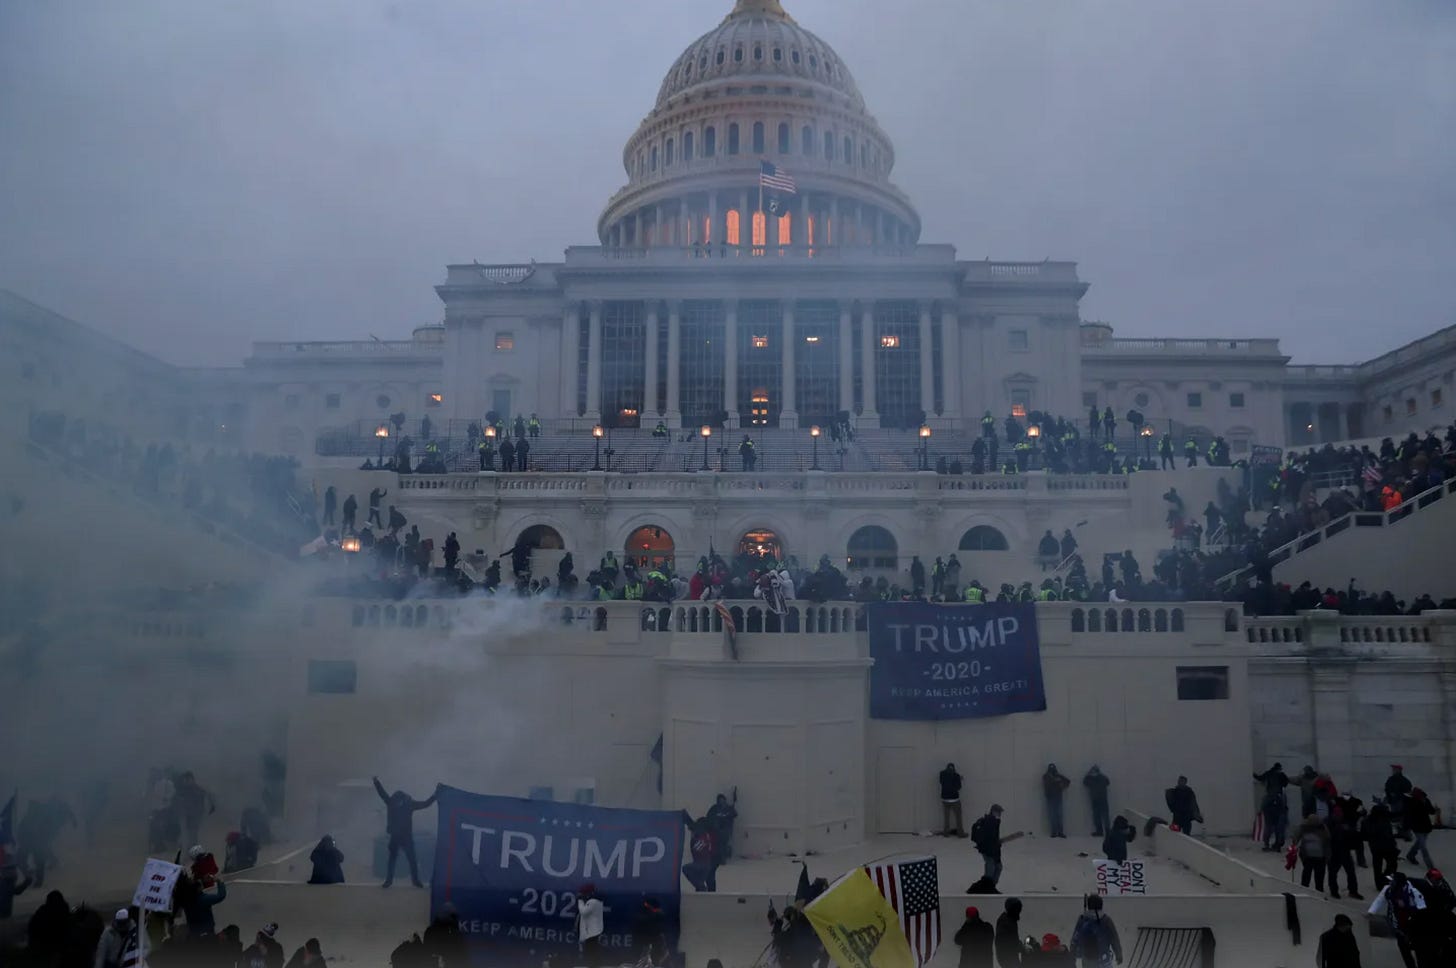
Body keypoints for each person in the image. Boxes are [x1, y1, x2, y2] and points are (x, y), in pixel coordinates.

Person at [373, 776, 437, 888]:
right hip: (397, 836)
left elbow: (426, 804)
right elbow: (382, 793)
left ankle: (412, 881)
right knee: (396, 859)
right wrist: (376, 782)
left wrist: (436, 794)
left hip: (404, 836)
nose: (397, 804)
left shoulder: (406, 804)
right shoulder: (395, 802)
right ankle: (391, 881)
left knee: (409, 859)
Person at [1369, 872, 1427, 968]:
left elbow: (1422, 910)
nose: (1390, 883)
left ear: (1398, 883)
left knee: (1418, 949)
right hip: (1397, 925)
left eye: (1392, 881)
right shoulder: (1388, 890)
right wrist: (1371, 912)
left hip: (1412, 926)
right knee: (1404, 949)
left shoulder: (1413, 892)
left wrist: (1407, 908)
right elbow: (1380, 900)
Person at [1069, 894, 1122, 968]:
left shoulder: (1083, 919)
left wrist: (1072, 956)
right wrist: (1119, 955)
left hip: (1087, 959)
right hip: (1104, 959)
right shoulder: (1106, 920)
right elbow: (1114, 939)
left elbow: (1075, 939)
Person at [173, 772, 215, 851]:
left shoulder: (198, 789)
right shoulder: (183, 790)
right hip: (187, 813)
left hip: (196, 813)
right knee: (187, 830)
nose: (186, 781)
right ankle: (188, 845)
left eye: (188, 779)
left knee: (193, 831)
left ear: (192, 779)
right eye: (185, 780)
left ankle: (193, 846)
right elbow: (177, 800)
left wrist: (211, 807)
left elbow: (209, 796)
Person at [1253, 762, 1290, 851]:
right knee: (1279, 826)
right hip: (1279, 801)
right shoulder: (1282, 775)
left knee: (1268, 825)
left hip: (1269, 801)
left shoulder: (1269, 773)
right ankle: (1277, 845)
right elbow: (1286, 783)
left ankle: (1266, 845)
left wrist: (1252, 773)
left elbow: (1260, 778)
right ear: (1279, 768)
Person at [972, 804, 1010, 887]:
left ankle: (991, 886)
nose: (1000, 814)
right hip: (988, 849)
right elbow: (989, 837)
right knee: (991, 867)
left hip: (991, 849)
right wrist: (995, 845)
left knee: (997, 866)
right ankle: (988, 886)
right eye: (998, 812)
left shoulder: (993, 821)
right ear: (993, 811)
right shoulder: (990, 821)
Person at [27, 888, 71, 959]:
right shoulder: (64, 911)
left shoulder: (42, 911)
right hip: (57, 947)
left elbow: (31, 928)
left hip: (41, 946)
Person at [1405, 788, 1437, 870]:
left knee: (1419, 843)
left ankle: (1410, 855)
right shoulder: (1412, 802)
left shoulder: (1425, 801)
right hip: (1417, 827)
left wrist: (1432, 808)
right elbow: (1409, 814)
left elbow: (1431, 811)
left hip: (1425, 826)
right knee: (1423, 847)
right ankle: (1430, 866)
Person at [1296, 815, 1330, 892]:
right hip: (1315, 857)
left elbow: (1296, 837)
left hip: (1312, 857)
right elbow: (1328, 841)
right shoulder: (1322, 827)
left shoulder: (1304, 827)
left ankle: (1304, 890)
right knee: (1316, 877)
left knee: (1308, 875)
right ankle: (1318, 892)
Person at [575, 883, 605, 966]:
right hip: (594, 930)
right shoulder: (596, 901)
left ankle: (593, 965)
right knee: (593, 951)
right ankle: (594, 965)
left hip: (592, 932)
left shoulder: (592, 902)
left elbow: (583, 912)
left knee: (591, 952)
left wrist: (580, 901)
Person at [706, 792, 738, 863]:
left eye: (723, 800)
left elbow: (735, 814)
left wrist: (730, 812)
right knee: (716, 842)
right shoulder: (714, 808)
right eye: (720, 800)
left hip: (725, 830)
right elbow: (708, 817)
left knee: (723, 841)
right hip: (715, 830)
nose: (722, 802)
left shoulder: (728, 808)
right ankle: (717, 857)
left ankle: (722, 858)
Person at [994, 898, 1024, 968]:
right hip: (1007, 957)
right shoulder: (1005, 922)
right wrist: (1019, 947)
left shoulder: (1011, 918)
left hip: (1009, 956)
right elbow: (1005, 943)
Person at [1083, 767, 1111, 837]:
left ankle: (1101, 831)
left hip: (1097, 799)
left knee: (1100, 816)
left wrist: (1088, 774)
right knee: (1100, 816)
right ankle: (1105, 831)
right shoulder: (1103, 778)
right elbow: (1108, 782)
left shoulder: (1091, 779)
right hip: (1100, 799)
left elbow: (1085, 782)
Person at [941, 763, 966, 837]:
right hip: (955, 799)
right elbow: (958, 787)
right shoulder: (956, 776)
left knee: (946, 817)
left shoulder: (942, 774)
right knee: (958, 817)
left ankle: (946, 833)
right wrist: (959, 779)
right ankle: (960, 833)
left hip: (945, 799)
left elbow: (941, 782)